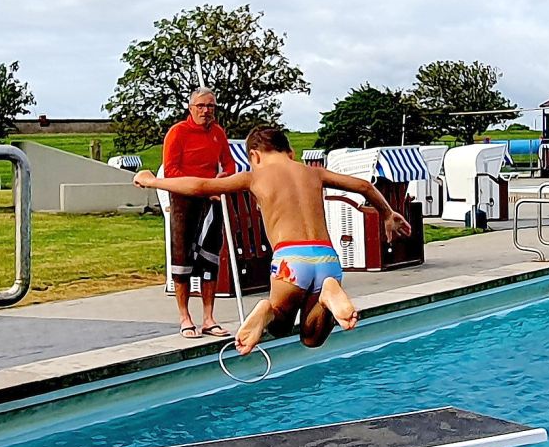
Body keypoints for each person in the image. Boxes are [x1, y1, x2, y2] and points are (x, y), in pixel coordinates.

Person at [135, 126, 412, 355]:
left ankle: (266, 310)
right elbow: (363, 186)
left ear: (254, 155)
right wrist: (387, 213)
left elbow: (199, 186)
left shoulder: (254, 177)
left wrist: (151, 181)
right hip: (327, 258)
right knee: (312, 337)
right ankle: (329, 294)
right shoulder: (313, 172)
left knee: (280, 326)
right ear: (290, 152)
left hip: (290, 260)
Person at [162, 87, 236, 339]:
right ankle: (185, 317)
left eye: (211, 107)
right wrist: (200, 187)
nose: (206, 111)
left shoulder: (217, 133)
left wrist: (221, 179)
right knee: (182, 258)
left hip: (212, 200)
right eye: (201, 106)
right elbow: (170, 171)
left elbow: (229, 163)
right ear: (191, 108)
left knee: (210, 258)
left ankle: (208, 317)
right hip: (184, 201)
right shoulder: (177, 133)